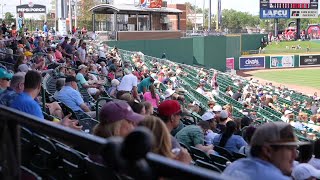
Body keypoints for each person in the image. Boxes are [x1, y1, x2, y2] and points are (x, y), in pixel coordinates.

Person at [223, 122, 309, 180]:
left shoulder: (235, 166)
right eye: (290, 149)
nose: (295, 155)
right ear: (268, 151)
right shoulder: (277, 178)